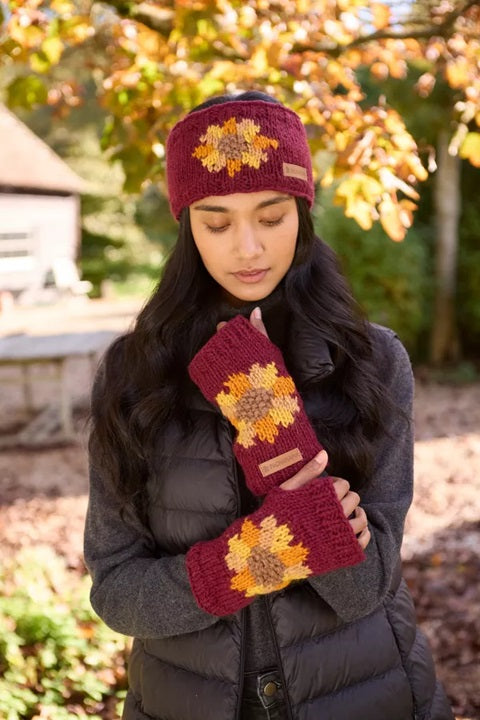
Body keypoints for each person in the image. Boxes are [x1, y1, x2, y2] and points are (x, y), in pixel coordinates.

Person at [84, 91, 453, 720]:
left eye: (272, 216)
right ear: (187, 226)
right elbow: (116, 592)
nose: (248, 248)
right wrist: (253, 559)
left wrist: (272, 428)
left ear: (303, 214)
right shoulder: (133, 373)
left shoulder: (373, 362)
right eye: (217, 223)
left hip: (367, 693)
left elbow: (365, 590)